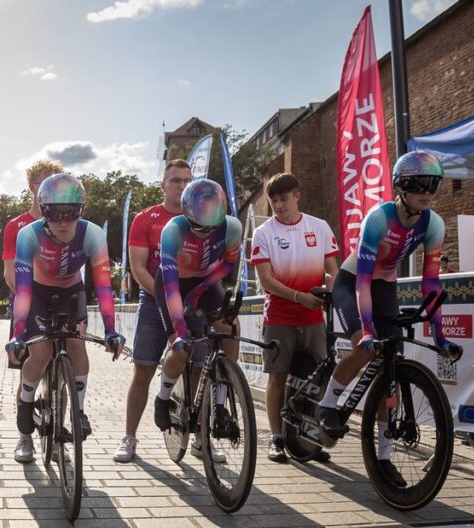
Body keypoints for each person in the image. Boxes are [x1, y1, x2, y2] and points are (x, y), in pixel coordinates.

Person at [316, 151, 460, 488]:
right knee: (366, 349)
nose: (427, 191)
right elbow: (362, 281)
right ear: (401, 186)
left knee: (389, 369)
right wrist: (366, 330)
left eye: (433, 184)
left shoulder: (434, 224)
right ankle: (327, 403)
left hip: (386, 285)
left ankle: (383, 456)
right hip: (353, 282)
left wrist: (440, 337)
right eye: (417, 183)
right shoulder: (378, 219)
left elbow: (431, 284)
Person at [6, 173, 125, 464]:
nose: (62, 222)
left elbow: (104, 286)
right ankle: (25, 408)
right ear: (43, 212)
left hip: (72, 290)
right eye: (54, 214)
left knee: (76, 345)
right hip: (37, 292)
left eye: (70, 214)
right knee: (41, 352)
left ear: (80, 210)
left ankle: (78, 413)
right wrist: (18, 334)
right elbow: (22, 290)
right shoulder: (28, 234)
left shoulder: (93, 234)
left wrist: (111, 330)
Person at [250, 173, 339, 464]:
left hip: (314, 315)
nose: (278, 205)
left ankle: (309, 439)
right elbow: (266, 281)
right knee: (278, 378)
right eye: (273, 200)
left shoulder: (320, 227)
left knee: (314, 378)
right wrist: (300, 297)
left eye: (283, 199)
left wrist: (330, 289)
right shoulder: (263, 232)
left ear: (297, 196)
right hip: (279, 316)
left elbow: (331, 268)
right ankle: (276, 439)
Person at [151, 179, 243, 457]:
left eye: (211, 229)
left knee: (229, 329)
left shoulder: (232, 226)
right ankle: (163, 398)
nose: (205, 235)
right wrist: (179, 329)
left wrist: (201, 291)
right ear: (187, 216)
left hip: (206, 281)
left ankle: (220, 403)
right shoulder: (172, 231)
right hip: (173, 283)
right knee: (183, 347)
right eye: (199, 229)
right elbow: (169, 286)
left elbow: (227, 264)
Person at [114, 159, 191, 463]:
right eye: (175, 180)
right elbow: (137, 269)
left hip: (191, 299)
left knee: (197, 366)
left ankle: (198, 438)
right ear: (162, 185)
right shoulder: (146, 219)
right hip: (154, 300)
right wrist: (166, 299)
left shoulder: (202, 213)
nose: (182, 186)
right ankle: (129, 437)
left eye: (187, 179)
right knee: (143, 370)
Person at [2, 160, 64, 371]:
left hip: (59, 296)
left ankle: (64, 401)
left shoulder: (67, 222)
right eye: (42, 182)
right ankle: (25, 403)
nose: (48, 186)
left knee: (63, 365)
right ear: (31, 186)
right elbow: (10, 274)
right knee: (33, 364)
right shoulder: (15, 226)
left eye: (54, 181)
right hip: (27, 299)